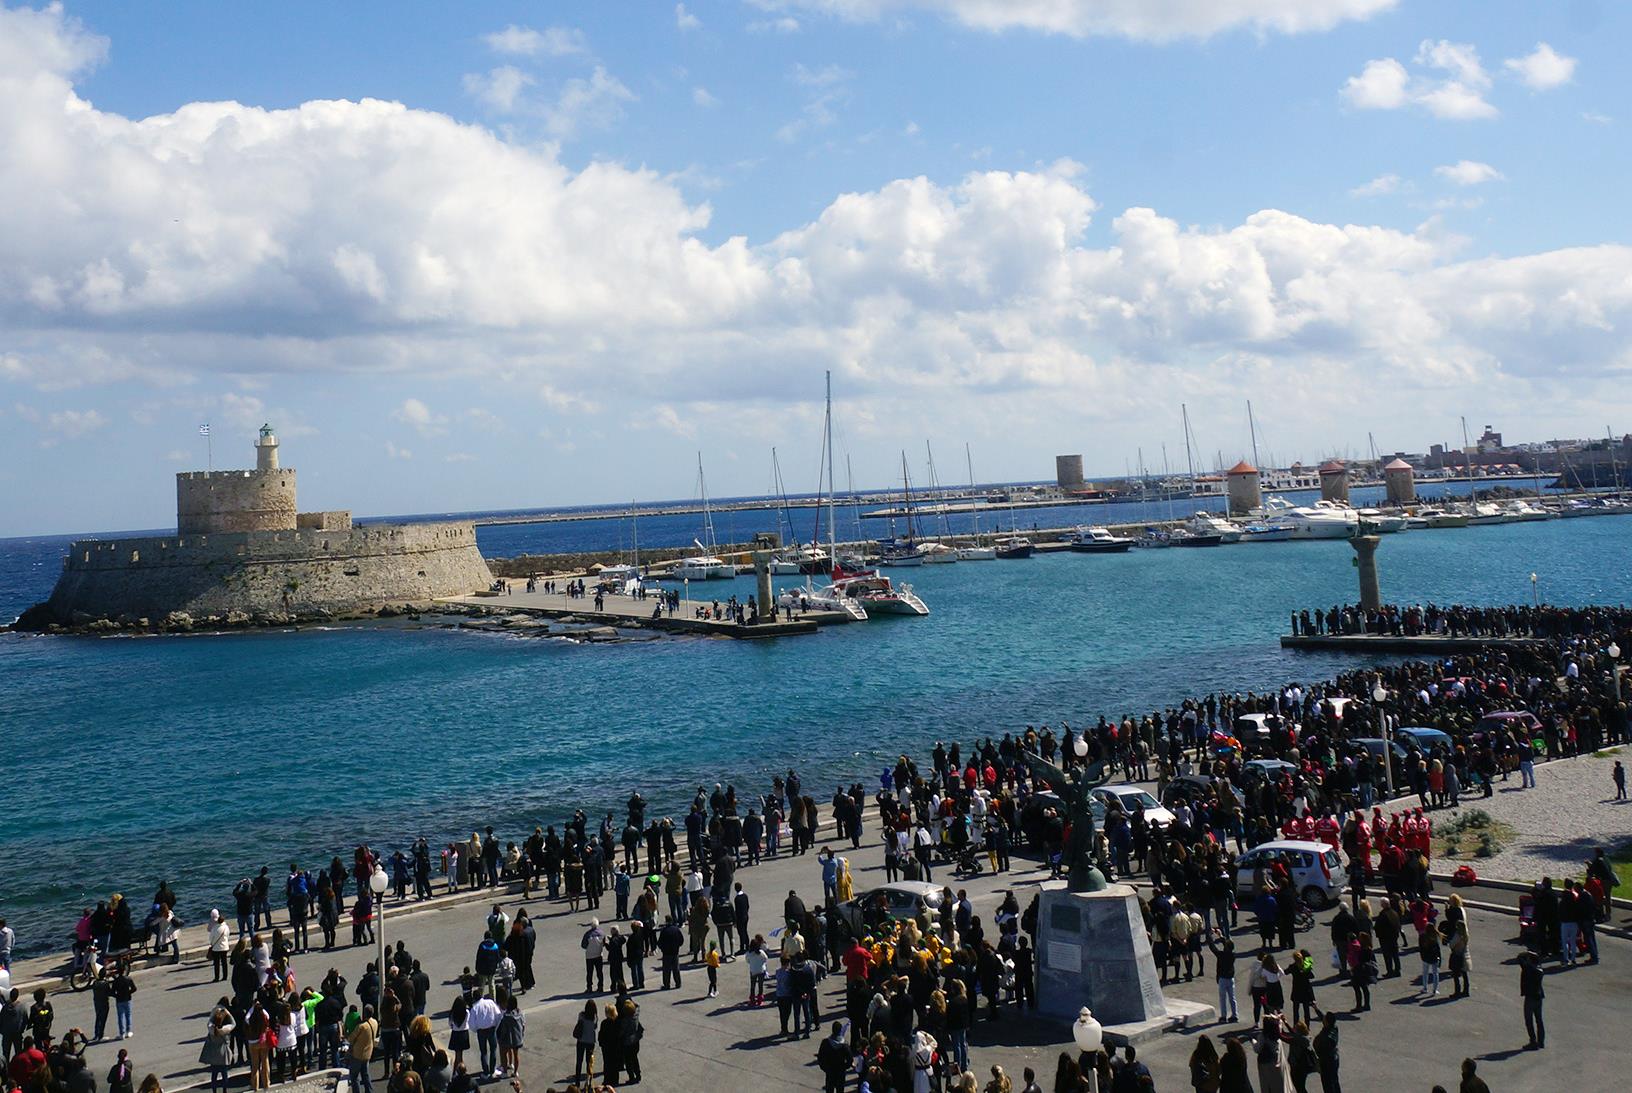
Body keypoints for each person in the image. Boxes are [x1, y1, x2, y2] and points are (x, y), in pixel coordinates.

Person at [201, 1006, 235, 1093]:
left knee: (214, 1075)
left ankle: (214, 1091)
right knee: (224, 1074)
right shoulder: (224, 1029)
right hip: (223, 1054)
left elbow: (209, 1021)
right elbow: (233, 1024)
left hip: (214, 1054)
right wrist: (228, 1013)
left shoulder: (211, 1029)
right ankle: (224, 1090)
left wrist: (214, 1013)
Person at [467, 991, 501, 1077]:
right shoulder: (490, 1002)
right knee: (493, 1049)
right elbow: (498, 1015)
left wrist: (476, 1030)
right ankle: (492, 1070)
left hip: (481, 1031)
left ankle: (486, 1071)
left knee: (483, 1051)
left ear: (474, 998)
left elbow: (471, 1024)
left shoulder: (474, 1008)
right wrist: (495, 1026)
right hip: (491, 1029)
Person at [347, 1005, 378, 1093]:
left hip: (358, 1054)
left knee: (355, 1077)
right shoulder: (375, 1022)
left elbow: (350, 1039)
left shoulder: (361, 1026)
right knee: (366, 1075)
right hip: (368, 1053)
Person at [1519, 950, 1545, 1049]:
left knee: (1528, 1020)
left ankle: (1533, 1041)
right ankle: (1541, 1041)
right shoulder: (1539, 969)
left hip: (1530, 997)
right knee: (1539, 1019)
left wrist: (1526, 953)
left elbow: (1519, 958)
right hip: (1539, 996)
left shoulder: (1528, 968)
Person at [495, 995, 524, 1080]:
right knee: (516, 1054)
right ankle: (515, 1072)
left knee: (503, 1054)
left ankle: (504, 1072)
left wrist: (500, 1038)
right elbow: (523, 1025)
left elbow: (503, 1030)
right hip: (517, 1038)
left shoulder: (506, 1016)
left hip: (508, 1039)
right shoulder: (520, 1013)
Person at [817, 1021, 851, 1093]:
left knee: (829, 1090)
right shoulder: (844, 1045)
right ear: (840, 1030)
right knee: (840, 1090)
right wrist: (844, 1067)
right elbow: (850, 1060)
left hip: (830, 1071)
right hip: (840, 1072)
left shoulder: (825, 1043)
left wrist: (825, 1068)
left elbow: (820, 1058)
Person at [1312, 1012, 1340, 1093]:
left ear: (1327, 1022)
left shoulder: (1327, 1036)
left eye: (1324, 1019)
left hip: (1327, 1061)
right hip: (1333, 1059)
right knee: (1334, 1081)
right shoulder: (1333, 1027)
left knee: (1328, 1084)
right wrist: (1316, 1009)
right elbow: (1323, 1018)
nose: (1323, 1019)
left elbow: (1325, 1044)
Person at [571, 1002, 597, 1082]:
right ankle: (589, 1082)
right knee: (589, 1063)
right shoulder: (595, 1017)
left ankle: (577, 1081)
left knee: (579, 1061)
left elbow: (579, 1024)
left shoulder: (581, 1015)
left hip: (581, 1040)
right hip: (590, 1041)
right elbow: (595, 1027)